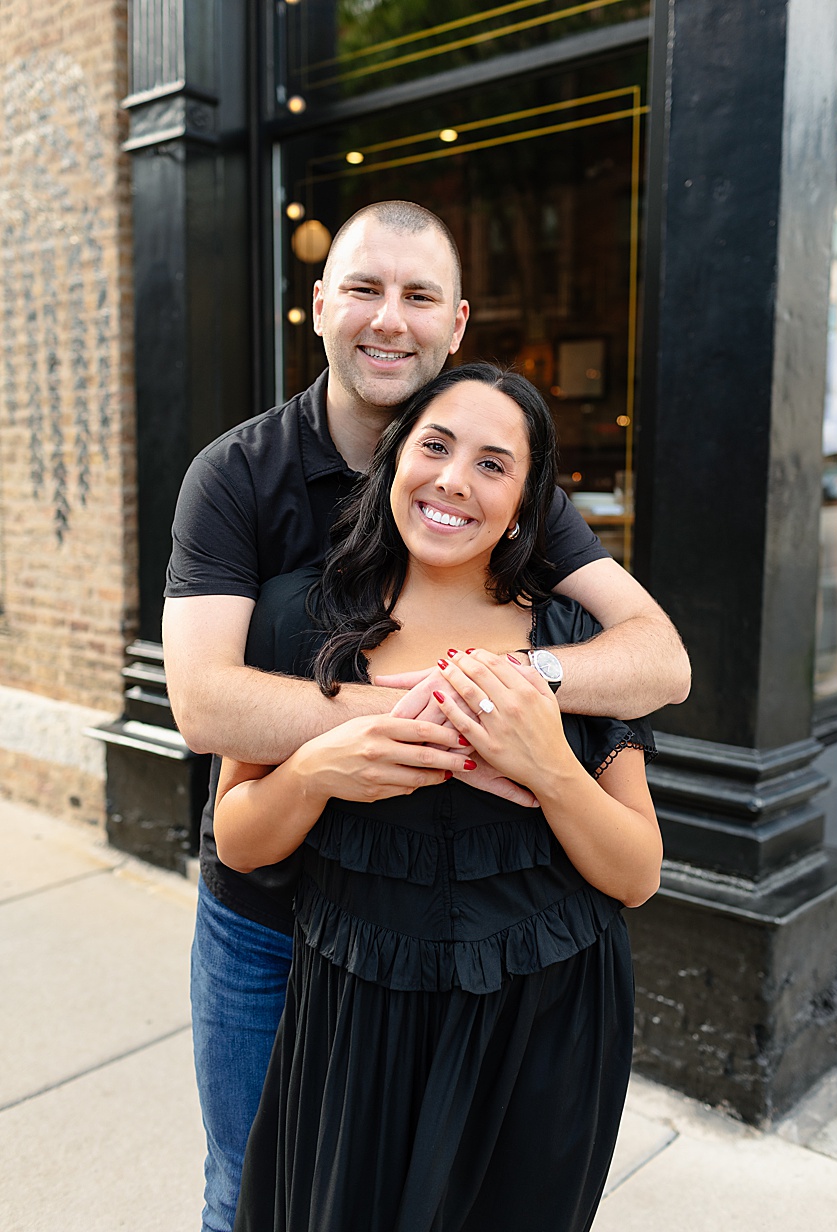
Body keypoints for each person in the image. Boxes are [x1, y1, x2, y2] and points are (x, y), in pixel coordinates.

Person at [163, 201, 689, 1232]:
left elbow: (655, 659)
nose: (387, 319)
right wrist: (416, 717)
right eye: (362, 287)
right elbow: (202, 703)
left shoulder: (533, 535)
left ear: (456, 322)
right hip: (287, 932)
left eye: (417, 296)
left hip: (518, 977)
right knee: (259, 1190)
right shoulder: (239, 481)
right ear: (318, 305)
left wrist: (527, 708)